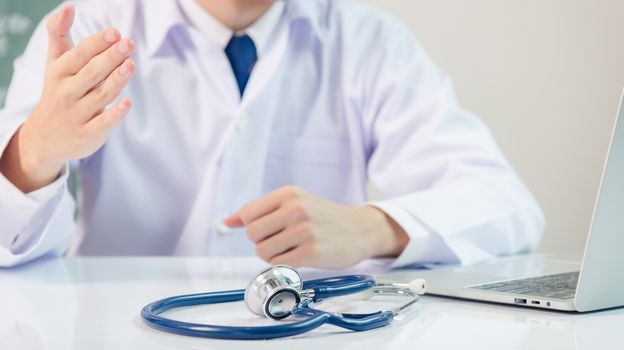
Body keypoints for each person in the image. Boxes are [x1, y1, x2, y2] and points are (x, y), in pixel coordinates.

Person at [0, 0, 544, 268]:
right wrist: (35, 151)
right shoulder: (89, 28)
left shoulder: (366, 39)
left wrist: (372, 227)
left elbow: (508, 207)